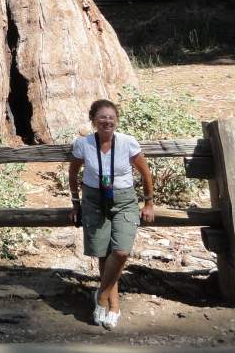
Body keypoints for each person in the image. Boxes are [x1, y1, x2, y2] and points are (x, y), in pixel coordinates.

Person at [68, 99, 156, 330]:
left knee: (121, 251)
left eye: (111, 117)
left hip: (124, 200)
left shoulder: (127, 143)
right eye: (102, 117)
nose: (107, 121)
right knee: (103, 255)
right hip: (94, 200)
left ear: (116, 119)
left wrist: (149, 203)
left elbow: (145, 173)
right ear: (93, 120)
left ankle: (100, 296)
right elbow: (73, 173)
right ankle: (113, 306)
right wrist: (75, 203)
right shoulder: (83, 144)